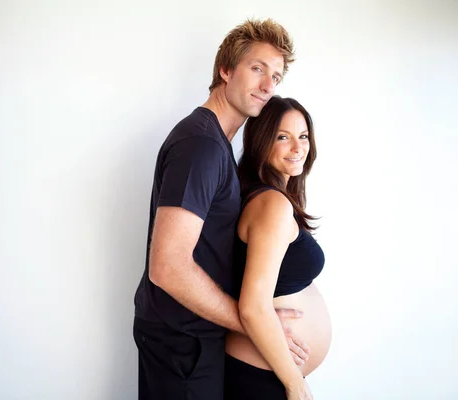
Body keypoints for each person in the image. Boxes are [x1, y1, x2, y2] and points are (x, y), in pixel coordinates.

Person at [133, 19, 309, 400]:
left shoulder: (217, 145)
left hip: (193, 341)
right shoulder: (202, 145)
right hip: (183, 346)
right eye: (257, 69)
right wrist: (255, 324)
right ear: (225, 70)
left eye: (276, 77)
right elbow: (168, 266)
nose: (268, 86)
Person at [224, 96, 331, 400]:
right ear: (261, 141)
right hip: (260, 376)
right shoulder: (271, 204)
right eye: (283, 137)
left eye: (303, 136)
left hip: (267, 370)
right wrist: (295, 383)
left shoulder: (271, 199)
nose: (298, 148)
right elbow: (253, 307)